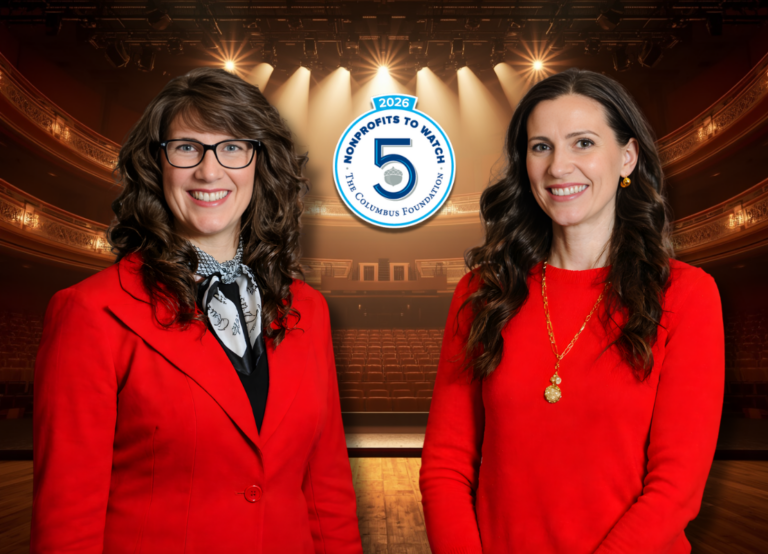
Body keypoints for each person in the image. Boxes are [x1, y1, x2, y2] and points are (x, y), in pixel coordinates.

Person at [31, 67, 362, 553]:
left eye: (232, 147)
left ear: (260, 164)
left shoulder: (308, 309)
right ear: (155, 164)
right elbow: (68, 519)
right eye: (187, 147)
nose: (210, 171)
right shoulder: (90, 311)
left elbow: (326, 491)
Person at [419, 67, 724, 553]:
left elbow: (676, 488)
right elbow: (446, 465)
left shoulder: (687, 294)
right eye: (541, 146)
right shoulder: (484, 291)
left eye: (583, 143)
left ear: (627, 157)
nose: (559, 166)